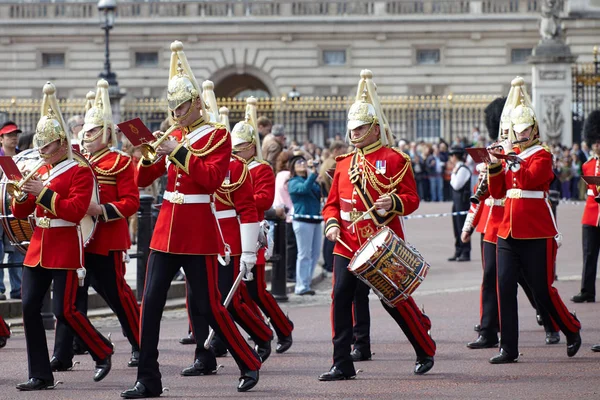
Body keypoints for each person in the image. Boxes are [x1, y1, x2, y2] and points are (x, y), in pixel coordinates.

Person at [121, 41, 261, 398]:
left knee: (208, 305)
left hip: (198, 229)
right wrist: (147, 153)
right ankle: (148, 378)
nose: (177, 113)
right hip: (166, 228)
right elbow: (140, 181)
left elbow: (213, 179)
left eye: (182, 106)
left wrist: (178, 151)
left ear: (197, 103)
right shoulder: (174, 136)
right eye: (173, 108)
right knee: (149, 303)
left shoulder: (216, 135)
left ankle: (247, 360)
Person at [320, 70, 435, 381]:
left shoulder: (395, 159)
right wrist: (331, 225)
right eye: (352, 129)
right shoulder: (343, 163)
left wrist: (392, 203)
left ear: (374, 129)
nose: (354, 134)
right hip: (346, 242)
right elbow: (332, 203)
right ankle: (341, 361)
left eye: (360, 129)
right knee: (340, 297)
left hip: (381, 240)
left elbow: (411, 198)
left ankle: (424, 347)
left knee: (393, 299)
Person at [13, 82, 114, 391]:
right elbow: (21, 214)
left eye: (46, 146)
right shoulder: (41, 170)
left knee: (65, 310)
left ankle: (102, 350)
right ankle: (41, 374)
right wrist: (21, 195)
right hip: (39, 247)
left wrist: (41, 193)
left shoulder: (79, 171)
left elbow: (73, 211)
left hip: (65, 246)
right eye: (40, 146)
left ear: (59, 144)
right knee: (30, 307)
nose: (41, 151)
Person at [487, 76, 582, 364]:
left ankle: (571, 327)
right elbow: (497, 191)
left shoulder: (542, 154)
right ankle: (508, 348)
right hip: (508, 230)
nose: (521, 133)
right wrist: (493, 166)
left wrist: (510, 160)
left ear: (533, 129)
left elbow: (530, 180)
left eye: (525, 129)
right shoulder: (510, 155)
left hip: (535, 232)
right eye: (517, 130)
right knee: (504, 285)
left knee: (542, 289)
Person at [50, 79, 141, 371]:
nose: (86, 136)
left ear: (105, 133)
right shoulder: (76, 161)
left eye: (92, 131)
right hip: (76, 237)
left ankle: (140, 343)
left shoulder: (120, 161)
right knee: (70, 297)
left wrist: (101, 209)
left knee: (117, 294)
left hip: (106, 237)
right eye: (85, 131)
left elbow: (131, 201)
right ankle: (63, 353)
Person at [200, 101, 274, 363]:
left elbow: (253, 205)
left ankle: (262, 334)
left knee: (228, 299)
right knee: (202, 300)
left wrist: (247, 249)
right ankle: (207, 353)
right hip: (204, 236)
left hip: (229, 238)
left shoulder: (240, 168)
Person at [231, 97, 295, 355]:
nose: (236, 152)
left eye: (241, 148)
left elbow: (264, 200)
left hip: (252, 229)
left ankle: (283, 328)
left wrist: (237, 202)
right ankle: (258, 330)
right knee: (238, 292)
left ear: (251, 146)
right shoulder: (232, 167)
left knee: (255, 290)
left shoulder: (261, 169)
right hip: (231, 230)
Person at [572, 109, 600, 304]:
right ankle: (587, 290)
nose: (597, 145)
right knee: (589, 254)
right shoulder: (587, 165)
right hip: (591, 214)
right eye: (595, 142)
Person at [288, 154, 323, 295]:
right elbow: (303, 189)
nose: (302, 164)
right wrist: (312, 175)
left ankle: (306, 283)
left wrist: (314, 174)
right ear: (293, 167)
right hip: (302, 221)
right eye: (299, 162)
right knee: (304, 254)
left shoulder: (310, 179)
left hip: (315, 219)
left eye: (304, 162)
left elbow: (317, 191)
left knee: (314, 253)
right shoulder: (292, 182)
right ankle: (301, 286)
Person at [0, 121, 24, 300]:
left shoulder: (23, 156)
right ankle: (0, 289)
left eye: (15, 134)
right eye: (9, 135)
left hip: (17, 207)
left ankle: (17, 289)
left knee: (17, 247)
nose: (13, 138)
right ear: (1, 139)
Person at [448, 145, 471, 261]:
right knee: (456, 228)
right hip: (457, 202)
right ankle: (458, 250)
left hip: (463, 202)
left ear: (455, 156)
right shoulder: (458, 168)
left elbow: (456, 185)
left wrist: (453, 174)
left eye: (451, 156)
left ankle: (465, 252)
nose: (450, 158)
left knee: (462, 227)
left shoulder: (462, 169)